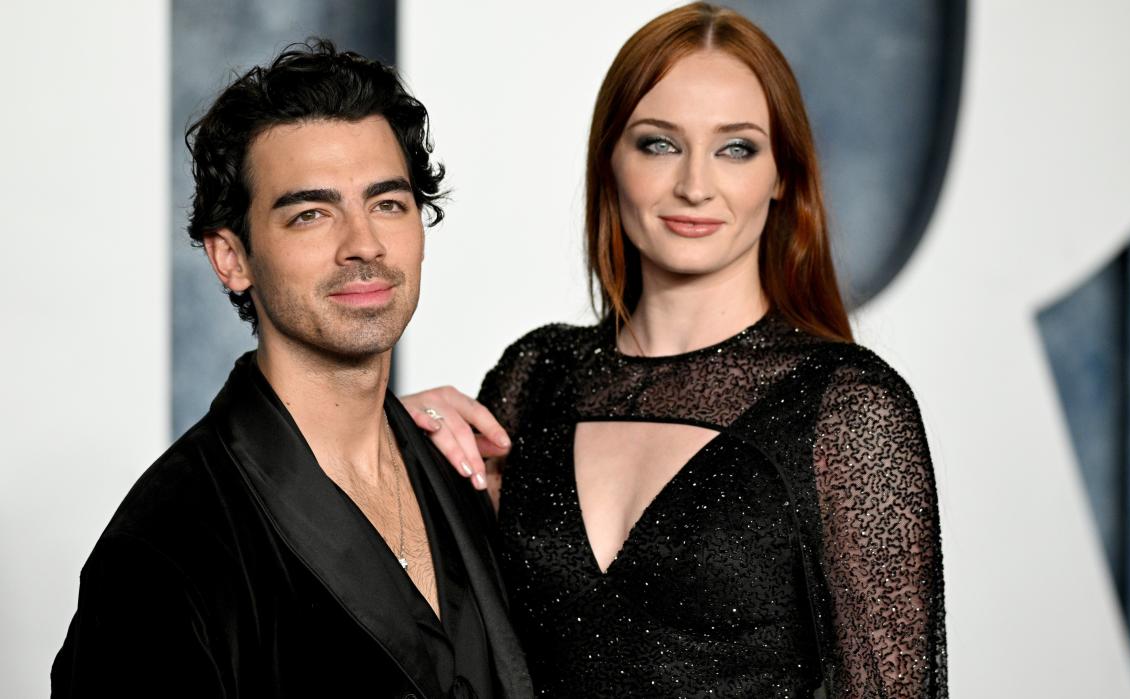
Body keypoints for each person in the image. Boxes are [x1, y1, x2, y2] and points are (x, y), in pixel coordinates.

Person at [403, 3, 947, 697]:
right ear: (611, 160)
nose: (695, 184)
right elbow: (442, 651)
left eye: (736, 148)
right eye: (659, 143)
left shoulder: (846, 406)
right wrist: (393, 450)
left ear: (783, 175)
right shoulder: (534, 375)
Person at [52, 41, 531, 699]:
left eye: (388, 203)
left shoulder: (461, 476)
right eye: (311, 213)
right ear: (231, 256)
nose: (362, 243)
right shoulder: (164, 549)